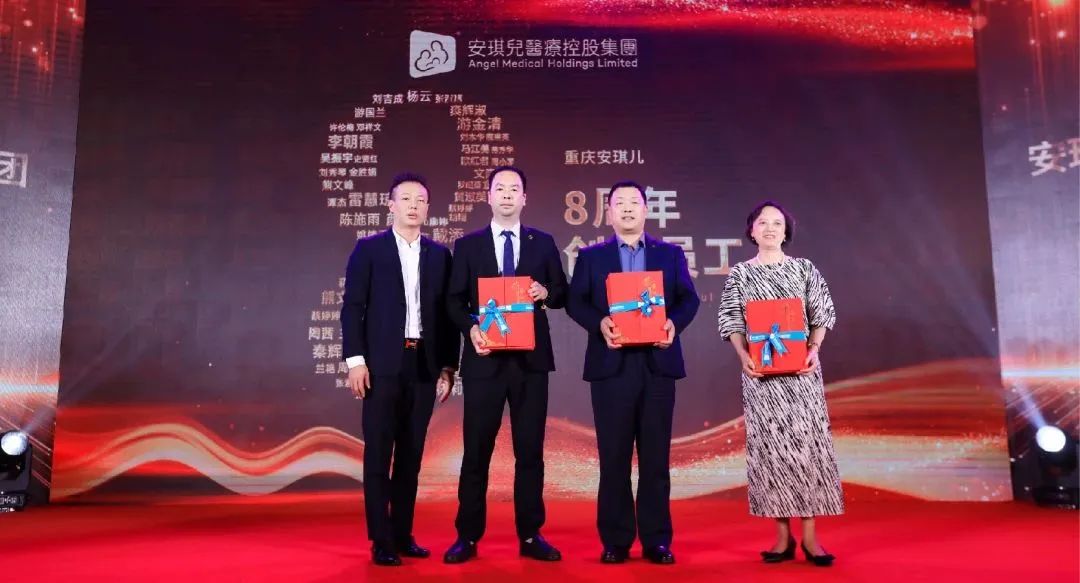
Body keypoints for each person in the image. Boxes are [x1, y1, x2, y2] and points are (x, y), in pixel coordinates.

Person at [566, 180, 700, 565]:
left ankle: (657, 540)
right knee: (614, 457)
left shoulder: (670, 254)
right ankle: (616, 539)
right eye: (619, 203)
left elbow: (688, 299)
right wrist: (600, 323)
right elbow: (576, 302)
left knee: (655, 458)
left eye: (634, 202)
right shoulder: (591, 257)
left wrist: (673, 323)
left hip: (657, 365)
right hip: (612, 367)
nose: (627, 208)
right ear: (608, 213)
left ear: (646, 210)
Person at [443, 165, 568, 564]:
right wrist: (471, 329)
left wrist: (544, 291)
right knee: (476, 451)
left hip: (531, 362)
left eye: (515, 189)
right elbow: (453, 300)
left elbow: (562, 293)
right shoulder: (468, 245)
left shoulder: (542, 242)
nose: (508, 194)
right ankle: (467, 536)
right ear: (489, 196)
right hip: (484, 361)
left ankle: (530, 534)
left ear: (525, 198)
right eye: (500, 188)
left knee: (530, 452)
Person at [339, 172, 460, 566]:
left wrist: (448, 367)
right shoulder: (369, 250)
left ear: (427, 208)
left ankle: (403, 533)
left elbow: (447, 316)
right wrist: (356, 361)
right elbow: (352, 308)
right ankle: (381, 539)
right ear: (391, 205)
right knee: (379, 453)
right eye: (406, 198)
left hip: (423, 365)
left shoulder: (440, 256)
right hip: (381, 366)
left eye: (420, 199)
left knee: (411, 455)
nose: (413, 205)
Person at [717, 200, 843, 567]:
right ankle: (782, 537)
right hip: (761, 379)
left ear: (786, 231)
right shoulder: (740, 274)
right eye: (762, 222)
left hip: (802, 374)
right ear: (751, 230)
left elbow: (822, 313)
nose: (770, 228)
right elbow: (731, 320)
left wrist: (814, 349)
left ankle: (811, 538)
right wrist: (743, 356)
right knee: (771, 453)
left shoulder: (804, 269)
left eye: (777, 223)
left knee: (807, 451)